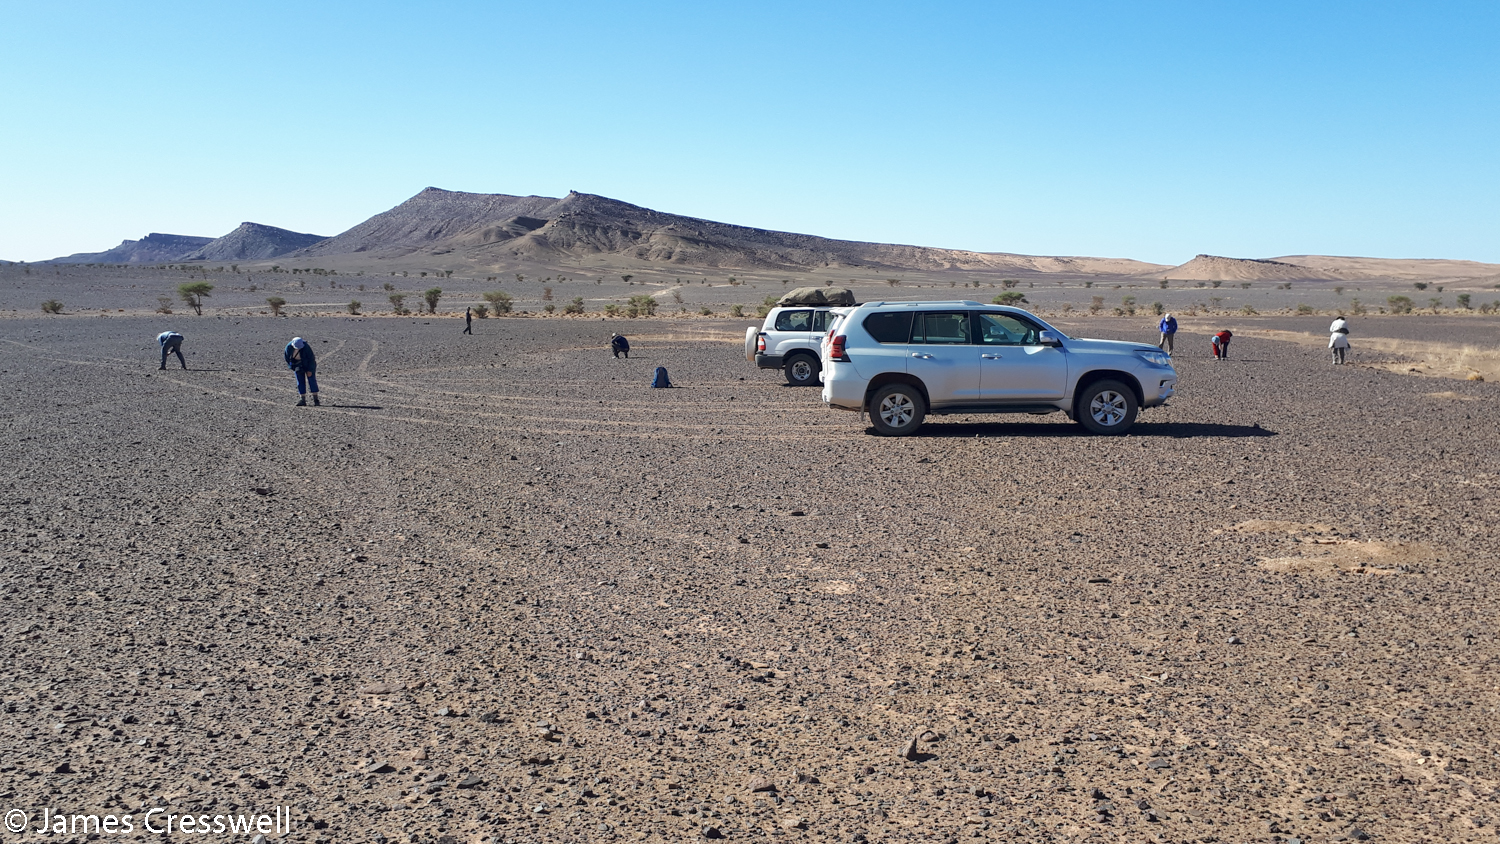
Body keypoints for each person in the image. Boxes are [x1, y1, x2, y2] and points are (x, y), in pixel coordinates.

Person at [284, 336, 319, 406]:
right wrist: (293, 367)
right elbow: (287, 358)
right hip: (297, 365)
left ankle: (316, 399)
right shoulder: (288, 348)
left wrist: (310, 370)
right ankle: (302, 399)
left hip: (308, 364)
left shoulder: (306, 347)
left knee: (312, 380)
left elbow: (311, 359)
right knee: (300, 381)